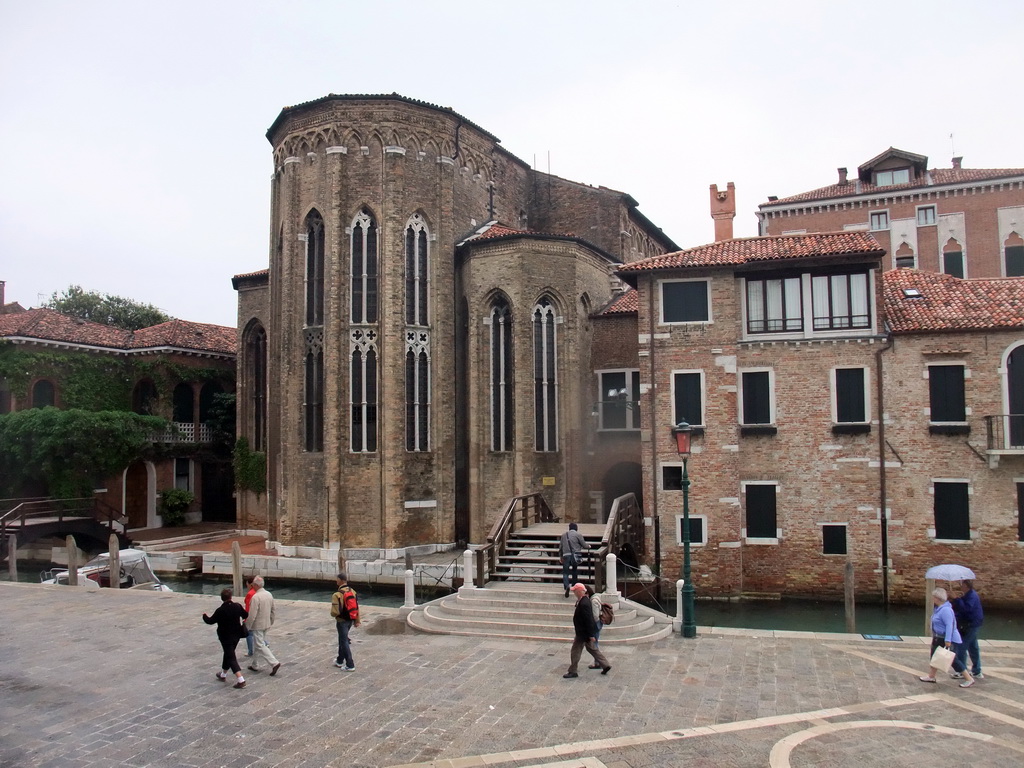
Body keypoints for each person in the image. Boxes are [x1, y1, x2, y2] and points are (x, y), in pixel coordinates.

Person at [919, 587, 974, 688]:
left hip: (946, 638)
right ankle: (931, 676)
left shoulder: (946, 610)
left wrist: (948, 640)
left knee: (953, 660)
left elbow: (950, 625)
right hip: (938, 637)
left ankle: (969, 678)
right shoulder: (939, 609)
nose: (932, 599)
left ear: (937, 598)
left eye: (934, 597)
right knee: (934, 656)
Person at [202, 588, 249, 689]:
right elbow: (245, 614)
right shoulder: (237, 606)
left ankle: (241, 679)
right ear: (231, 597)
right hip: (236, 635)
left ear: (222, 598)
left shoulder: (220, 610)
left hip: (225, 637)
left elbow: (210, 621)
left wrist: (204, 616)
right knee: (228, 653)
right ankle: (223, 674)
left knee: (231, 657)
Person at [563, 582, 610, 678]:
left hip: (582, 633)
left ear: (579, 591)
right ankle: (605, 664)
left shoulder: (584, 603)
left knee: (575, 651)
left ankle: (573, 670)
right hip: (584, 632)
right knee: (592, 649)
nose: (574, 593)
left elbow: (589, 619)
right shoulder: (584, 600)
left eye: (575, 591)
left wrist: (591, 634)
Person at [246, 575, 281, 676]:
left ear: (256, 585)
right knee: (258, 643)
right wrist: (271, 621)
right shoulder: (269, 594)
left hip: (258, 625)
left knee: (260, 645)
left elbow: (252, 615)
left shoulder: (256, 597)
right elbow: (273, 609)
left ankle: (274, 663)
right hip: (266, 623)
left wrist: (247, 626)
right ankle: (255, 664)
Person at [951, 579, 984, 680]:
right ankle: (977, 671)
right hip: (972, 624)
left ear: (966, 586)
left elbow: (966, 609)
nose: (961, 586)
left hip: (971, 624)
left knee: (961, 648)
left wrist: (956, 599)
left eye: (962, 585)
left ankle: (962, 670)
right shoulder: (968, 595)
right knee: (973, 647)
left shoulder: (971, 596)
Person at [330, 572, 361, 670]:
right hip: (351, 619)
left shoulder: (337, 594)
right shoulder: (353, 591)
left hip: (341, 620)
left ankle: (350, 664)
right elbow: (356, 607)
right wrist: (357, 620)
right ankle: (339, 660)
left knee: (344, 641)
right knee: (342, 639)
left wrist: (333, 615)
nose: (336, 580)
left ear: (340, 580)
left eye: (337, 579)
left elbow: (335, 612)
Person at [559, 523, 590, 598]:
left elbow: (560, 547)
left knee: (565, 572)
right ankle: (574, 584)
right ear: (576, 528)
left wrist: (560, 557)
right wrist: (589, 546)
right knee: (574, 570)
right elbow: (584, 545)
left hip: (566, 555)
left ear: (569, 528)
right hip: (575, 555)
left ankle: (566, 586)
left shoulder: (564, 535)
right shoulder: (578, 535)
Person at [585, 584, 604, 670]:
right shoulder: (596, 598)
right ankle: (598, 662)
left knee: (594, 643)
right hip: (598, 623)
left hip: (596, 623)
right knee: (595, 642)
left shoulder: (593, 601)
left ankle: (598, 662)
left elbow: (595, 616)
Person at [243, 576, 257, 657]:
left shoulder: (250, 594)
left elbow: (248, 608)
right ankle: (265, 644)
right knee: (257, 633)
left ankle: (250, 651)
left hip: (251, 616)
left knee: (249, 634)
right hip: (258, 616)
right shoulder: (257, 591)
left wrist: (246, 619)